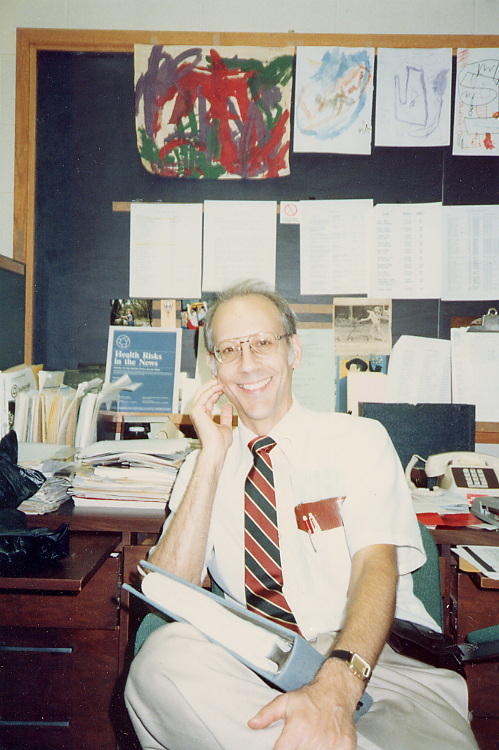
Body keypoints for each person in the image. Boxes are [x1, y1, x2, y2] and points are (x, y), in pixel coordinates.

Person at [125, 280, 478, 750]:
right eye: (229, 350)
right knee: (160, 662)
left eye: (263, 343)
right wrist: (211, 457)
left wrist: (335, 687)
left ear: (294, 351)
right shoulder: (202, 464)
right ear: (213, 368)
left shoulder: (359, 440)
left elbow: (376, 568)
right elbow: (169, 589)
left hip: (378, 662)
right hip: (259, 663)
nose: (247, 364)